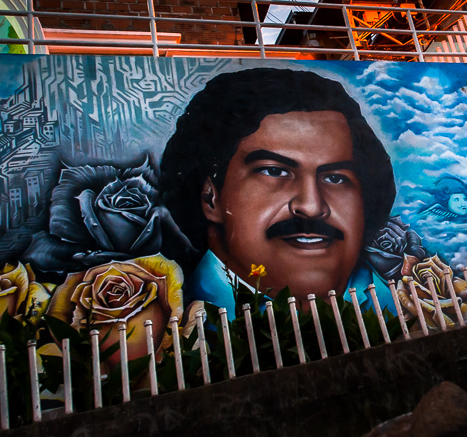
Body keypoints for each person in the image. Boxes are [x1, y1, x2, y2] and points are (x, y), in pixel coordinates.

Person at [159, 68, 397, 312]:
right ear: (211, 197)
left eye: (335, 178)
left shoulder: (404, 310)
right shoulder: (168, 325)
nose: (312, 206)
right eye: (274, 171)